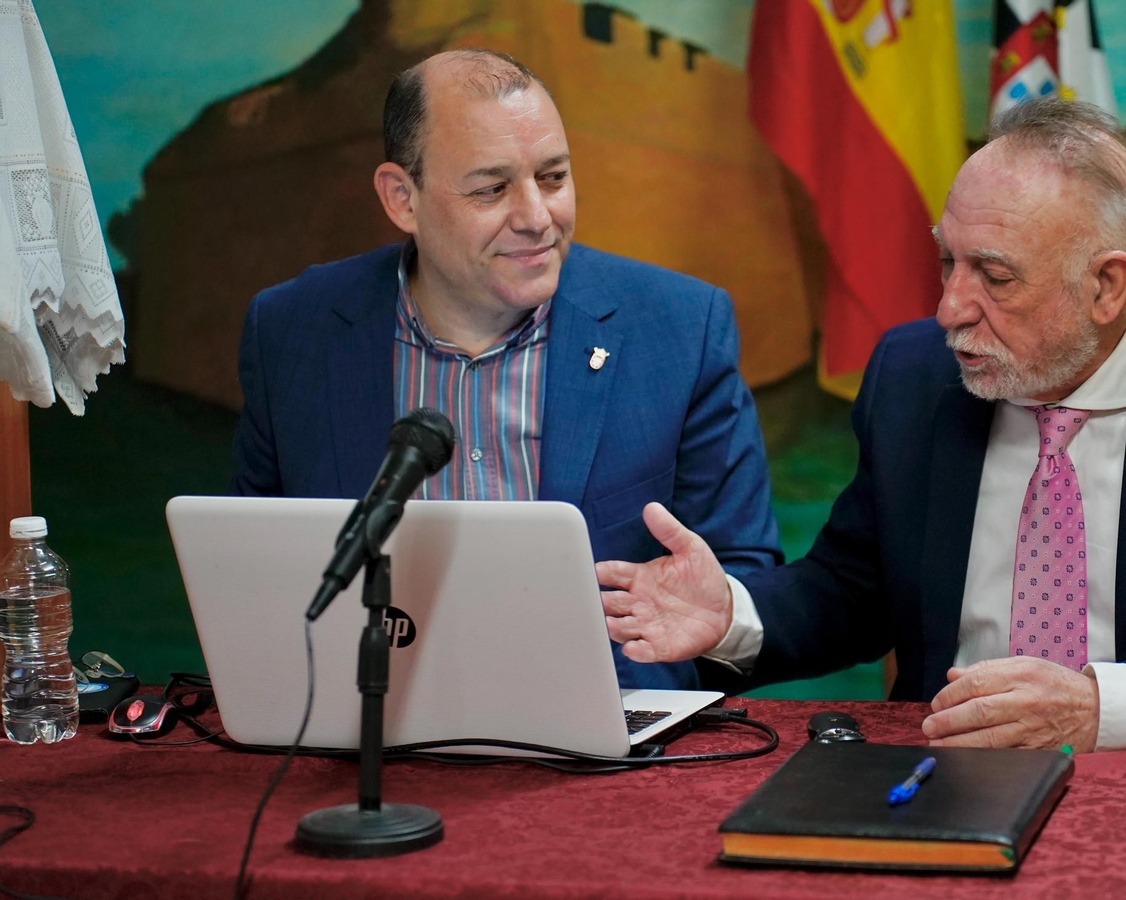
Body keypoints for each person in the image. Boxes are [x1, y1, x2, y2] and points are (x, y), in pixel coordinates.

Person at [596, 98, 1126, 748]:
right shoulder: (916, 377)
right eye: (949, 260)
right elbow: (853, 590)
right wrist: (732, 613)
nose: (950, 308)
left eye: (996, 277)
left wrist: (1103, 705)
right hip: (936, 787)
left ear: (1106, 288)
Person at [230, 49, 782, 690]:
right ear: (401, 198)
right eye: (491, 189)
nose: (536, 218)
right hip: (361, 730)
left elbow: (745, 583)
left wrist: (709, 620)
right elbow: (251, 573)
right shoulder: (292, 330)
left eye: (553, 177)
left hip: (611, 754)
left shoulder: (681, 329)